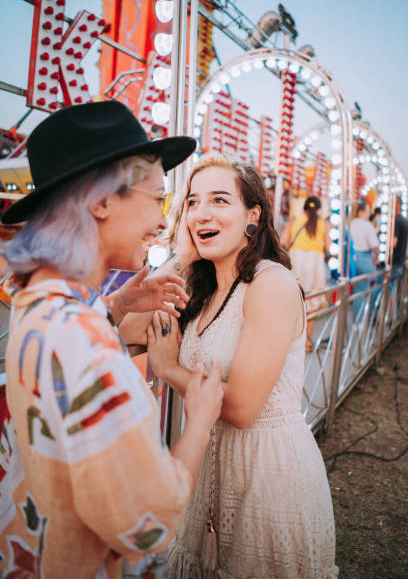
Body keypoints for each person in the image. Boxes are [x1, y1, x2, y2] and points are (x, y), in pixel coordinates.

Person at [0, 101, 224, 579]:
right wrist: (201, 418)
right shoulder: (85, 344)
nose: (164, 221)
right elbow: (146, 515)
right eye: (157, 199)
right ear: (102, 201)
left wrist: (117, 306)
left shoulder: (37, 297)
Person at [145, 155, 338, 578]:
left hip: (266, 476)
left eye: (218, 200)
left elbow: (240, 408)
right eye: (192, 202)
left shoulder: (271, 284)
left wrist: (168, 369)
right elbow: (127, 326)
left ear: (253, 215)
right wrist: (181, 256)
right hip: (206, 477)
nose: (202, 213)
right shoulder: (202, 286)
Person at [281, 195, 329, 352]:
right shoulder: (323, 223)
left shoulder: (295, 220)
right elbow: (328, 246)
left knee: (294, 299)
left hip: (297, 260)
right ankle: (307, 343)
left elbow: (283, 241)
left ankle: (289, 341)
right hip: (315, 263)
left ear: (305, 208)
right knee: (312, 301)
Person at [350, 201, 379, 315]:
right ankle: (361, 320)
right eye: (368, 212)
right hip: (364, 259)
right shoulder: (368, 225)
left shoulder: (351, 223)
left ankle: (357, 320)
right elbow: (375, 246)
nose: (369, 215)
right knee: (365, 290)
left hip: (352, 259)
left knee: (357, 289)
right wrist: (376, 256)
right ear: (361, 212)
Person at [392, 196, 408, 266]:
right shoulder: (404, 220)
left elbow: (394, 243)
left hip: (396, 260)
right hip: (401, 259)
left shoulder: (397, 221)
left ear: (398, 204)